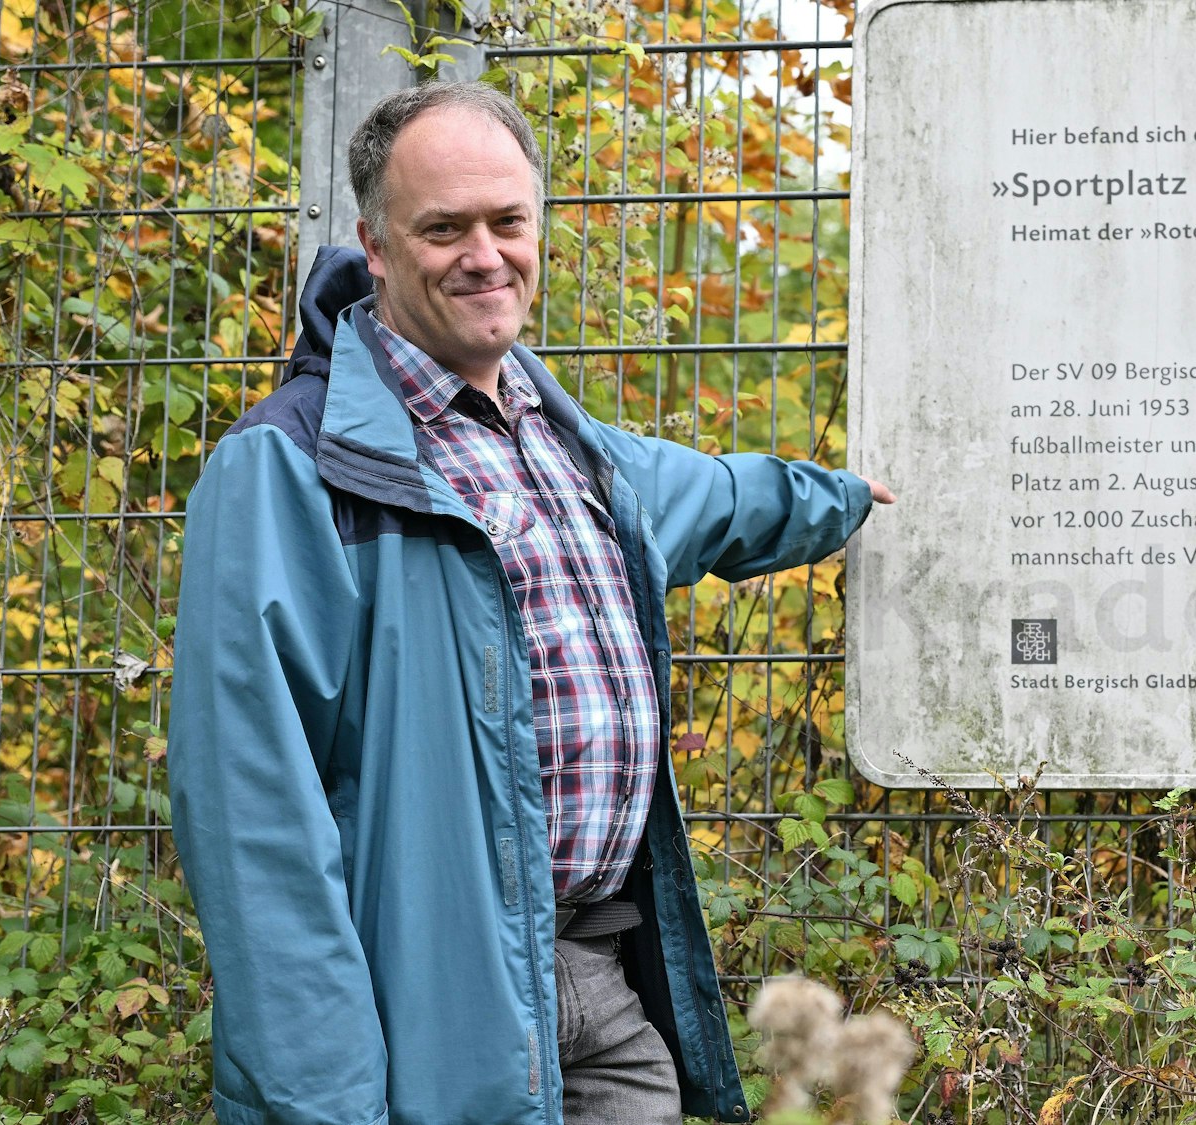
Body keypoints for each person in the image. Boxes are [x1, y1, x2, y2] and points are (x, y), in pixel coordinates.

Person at [167, 82, 892, 1125]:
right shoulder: (293, 468)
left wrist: (844, 499)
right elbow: (250, 823)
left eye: (508, 221)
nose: (484, 253)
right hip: (419, 1006)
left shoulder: (568, 447)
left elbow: (721, 498)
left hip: (596, 977)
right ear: (374, 246)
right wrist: (319, 1098)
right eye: (443, 228)